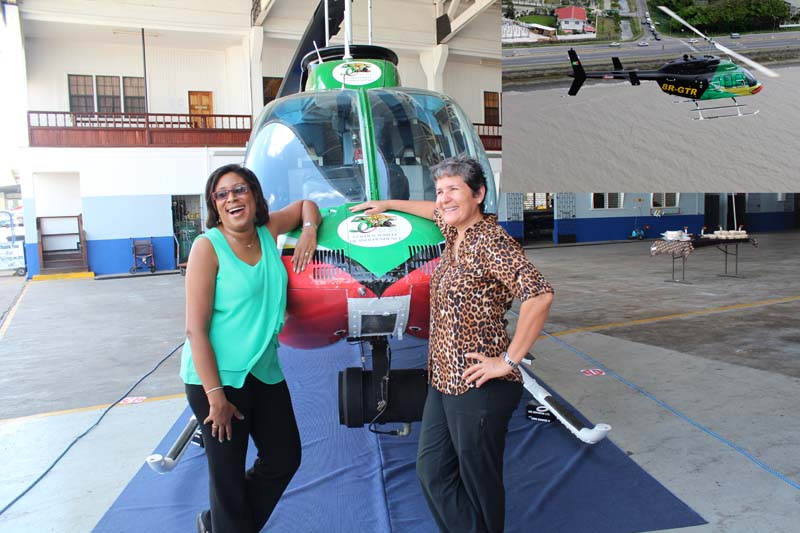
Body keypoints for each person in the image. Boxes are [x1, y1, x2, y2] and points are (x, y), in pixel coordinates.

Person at [350, 155, 554, 532]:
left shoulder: (492, 242)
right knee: (432, 472)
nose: (443, 198)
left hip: (480, 382)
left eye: (453, 189)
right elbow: (432, 210)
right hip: (444, 379)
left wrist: (508, 361)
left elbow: (539, 295)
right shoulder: (454, 231)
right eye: (440, 189)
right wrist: (390, 204)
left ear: (478, 194)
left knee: (478, 482)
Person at [181, 163, 321, 533]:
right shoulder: (207, 247)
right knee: (226, 477)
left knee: (284, 456)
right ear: (215, 205)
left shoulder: (267, 230)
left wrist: (309, 231)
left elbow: (308, 204)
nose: (232, 199)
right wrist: (215, 398)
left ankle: (219, 525)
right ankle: (226, 524)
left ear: (254, 195)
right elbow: (195, 330)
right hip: (218, 378)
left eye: (239, 189)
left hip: (264, 369)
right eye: (222, 194)